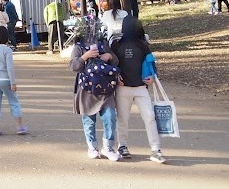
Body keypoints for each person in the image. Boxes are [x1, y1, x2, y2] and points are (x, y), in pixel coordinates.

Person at [111, 16, 166, 163]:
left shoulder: (142, 45)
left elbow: (151, 64)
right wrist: (116, 76)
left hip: (140, 88)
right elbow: (112, 64)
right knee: (124, 118)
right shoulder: (117, 44)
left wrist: (153, 76)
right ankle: (123, 146)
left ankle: (155, 149)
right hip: (123, 88)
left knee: (149, 117)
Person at [69, 18, 121, 160]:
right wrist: (85, 57)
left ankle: (108, 147)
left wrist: (108, 56)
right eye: (88, 27)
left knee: (110, 116)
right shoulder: (78, 47)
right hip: (86, 89)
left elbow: (116, 60)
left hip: (106, 88)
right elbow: (73, 66)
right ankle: (92, 147)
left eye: (94, 27)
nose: (91, 30)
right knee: (88, 120)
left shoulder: (103, 44)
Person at [0, 26, 27, 136]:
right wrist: (13, 83)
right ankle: (20, 126)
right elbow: (10, 67)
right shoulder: (7, 50)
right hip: (5, 79)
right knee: (13, 101)